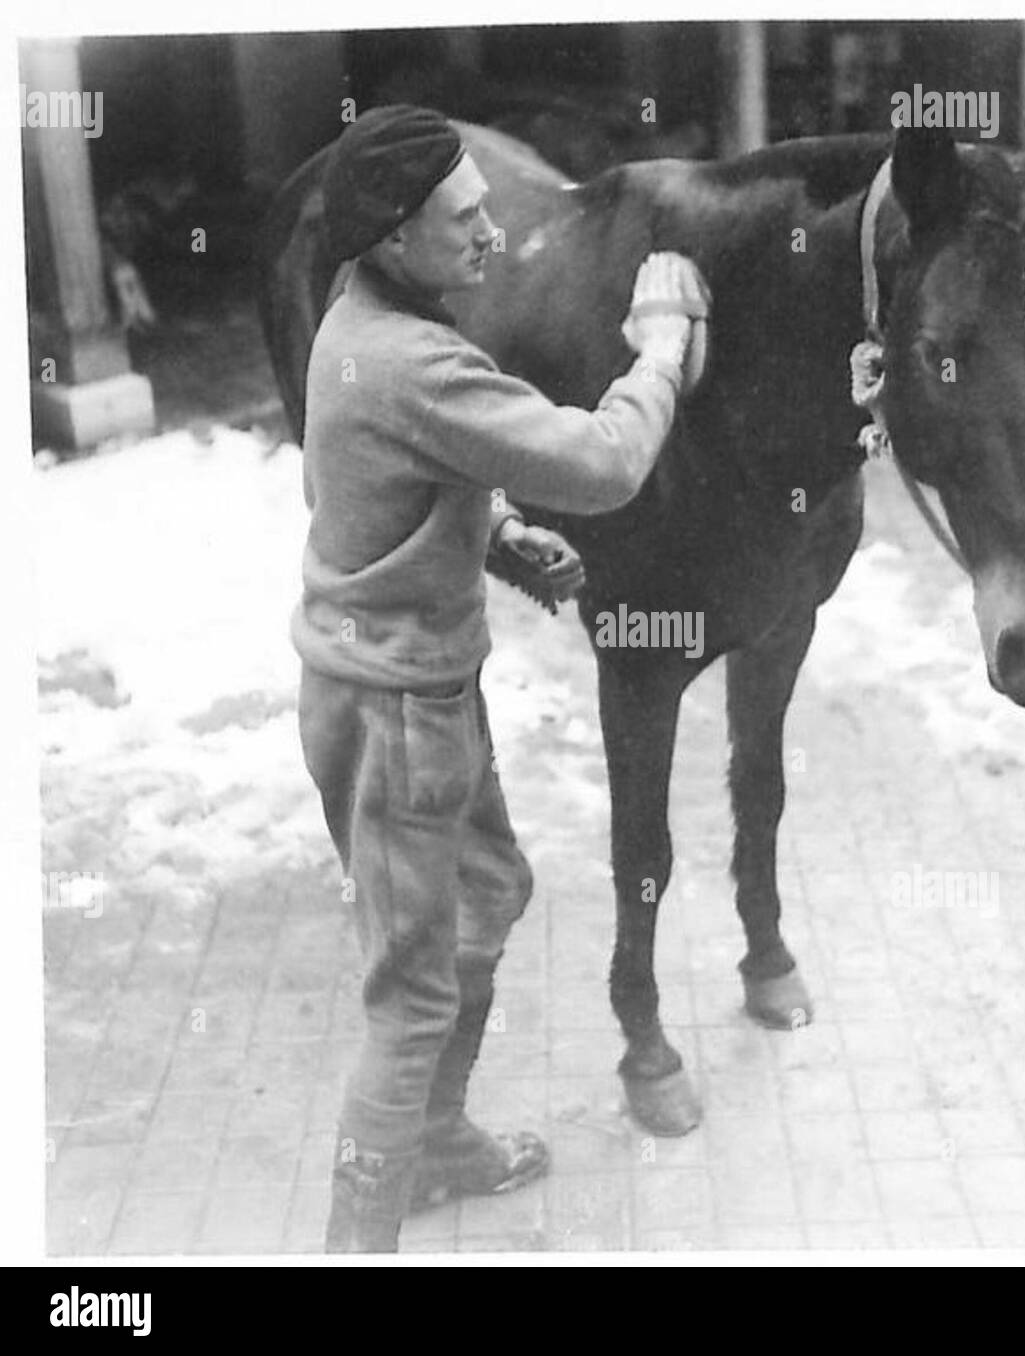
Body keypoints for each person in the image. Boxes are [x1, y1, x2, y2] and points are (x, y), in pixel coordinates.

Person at [291, 104, 709, 1252]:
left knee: (488, 894)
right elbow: (602, 462)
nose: (494, 236)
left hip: (409, 686)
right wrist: (658, 352)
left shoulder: (361, 323)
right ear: (391, 237)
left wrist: (492, 534)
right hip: (394, 713)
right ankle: (356, 1240)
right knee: (411, 995)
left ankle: (434, 1143)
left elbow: (364, 484)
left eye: (487, 209)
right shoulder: (415, 362)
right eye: (463, 221)